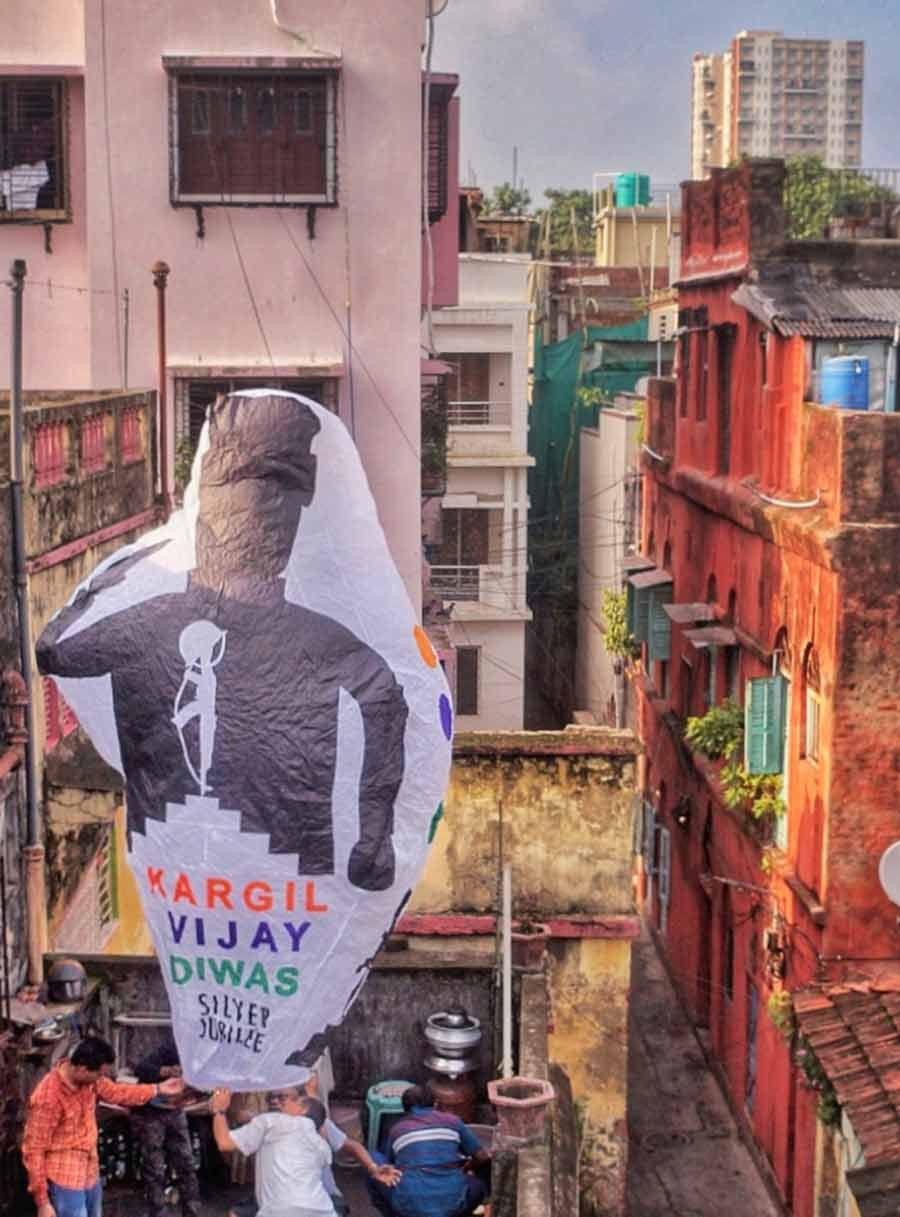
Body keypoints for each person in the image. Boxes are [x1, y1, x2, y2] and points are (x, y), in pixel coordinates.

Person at [36, 393, 408, 894]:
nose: (256, 524)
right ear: (207, 510)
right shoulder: (152, 621)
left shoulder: (313, 642)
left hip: (273, 884)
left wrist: (373, 838)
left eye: (275, 506)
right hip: (206, 878)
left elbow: (386, 701)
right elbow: (55, 653)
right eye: (239, 504)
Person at [22, 1036, 184, 1217]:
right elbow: (33, 1150)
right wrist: (42, 1202)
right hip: (64, 1177)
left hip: (89, 1171)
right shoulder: (48, 1097)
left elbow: (117, 1092)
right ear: (83, 1069)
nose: (101, 1079)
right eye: (99, 1074)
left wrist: (158, 1089)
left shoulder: (89, 1080)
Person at [210, 1085, 336, 1217]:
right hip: (323, 1210)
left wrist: (219, 1110)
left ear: (303, 1109)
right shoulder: (323, 1147)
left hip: (279, 1211)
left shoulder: (271, 1122)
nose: (280, 1104)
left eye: (287, 1100)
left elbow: (224, 1142)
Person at [366, 1084, 490, 1217]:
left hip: (408, 1208)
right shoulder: (453, 1121)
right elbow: (482, 1156)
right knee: (480, 1182)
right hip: (453, 1206)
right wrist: (467, 1168)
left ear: (405, 1110)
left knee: (373, 1160)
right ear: (436, 1104)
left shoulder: (397, 1129)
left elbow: (390, 1167)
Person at [129, 1038, 201, 1217]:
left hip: (176, 1110)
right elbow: (141, 1069)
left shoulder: (203, 1056)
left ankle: (191, 1212)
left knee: (187, 1165)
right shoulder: (170, 1048)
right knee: (155, 1168)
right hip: (152, 1112)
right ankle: (158, 1212)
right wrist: (167, 1071)